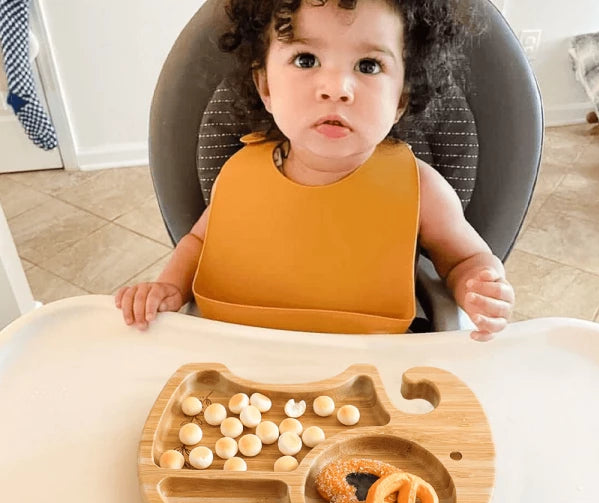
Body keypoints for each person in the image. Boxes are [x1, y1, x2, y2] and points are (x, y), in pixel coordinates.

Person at [115, 0, 515, 341]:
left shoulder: (422, 189)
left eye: (369, 65)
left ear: (400, 101)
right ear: (265, 86)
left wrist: (478, 284)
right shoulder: (238, 171)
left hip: (371, 375)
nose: (336, 86)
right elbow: (199, 244)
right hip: (235, 369)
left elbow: (465, 259)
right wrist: (168, 286)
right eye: (306, 60)